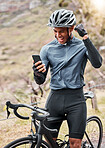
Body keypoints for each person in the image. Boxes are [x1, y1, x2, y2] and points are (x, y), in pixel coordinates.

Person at [33, 9, 102, 148]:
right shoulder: (47, 49)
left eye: (61, 31)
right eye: (55, 31)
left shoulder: (82, 46)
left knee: (75, 144)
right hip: (55, 99)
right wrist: (37, 73)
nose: (58, 35)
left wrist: (86, 38)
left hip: (76, 100)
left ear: (71, 29)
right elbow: (41, 80)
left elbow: (97, 63)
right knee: (50, 143)